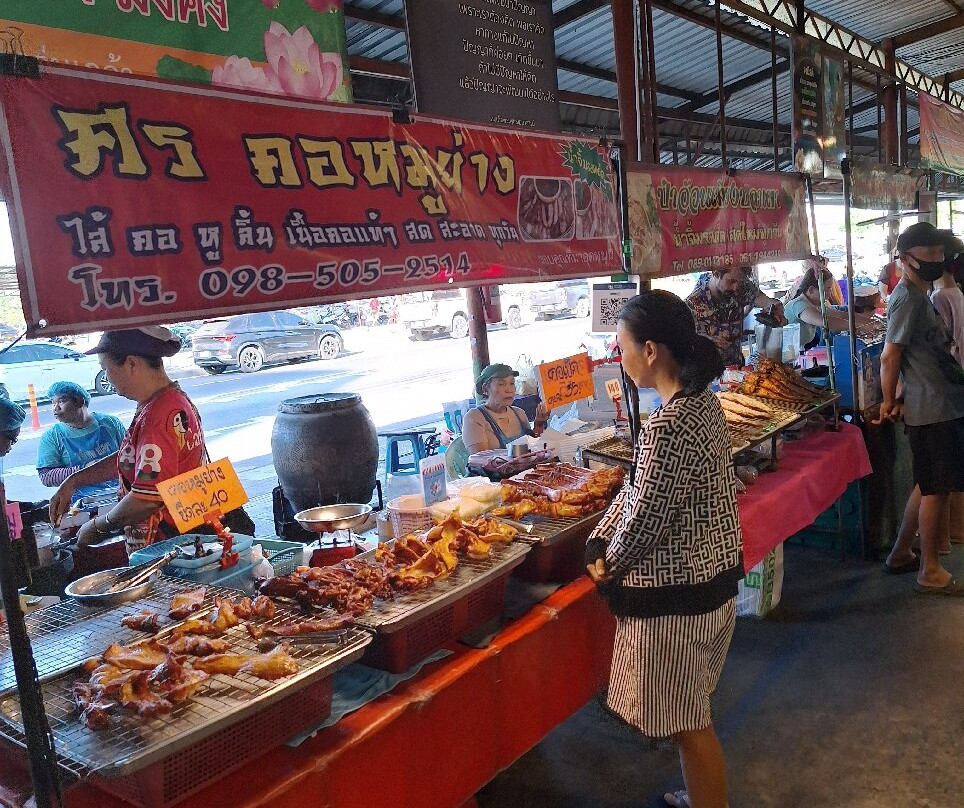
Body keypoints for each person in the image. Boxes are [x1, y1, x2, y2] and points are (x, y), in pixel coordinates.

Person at [585, 291, 742, 808]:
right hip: (711, 582)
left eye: (622, 344)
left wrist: (608, 562)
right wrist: (600, 535)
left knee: (689, 724)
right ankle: (701, 797)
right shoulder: (701, 403)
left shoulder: (670, 424)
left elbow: (647, 518)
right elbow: (636, 494)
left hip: (679, 600)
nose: (618, 355)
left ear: (650, 350)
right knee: (691, 713)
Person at [49, 327, 209, 552]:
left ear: (132, 364)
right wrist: (74, 480)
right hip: (175, 541)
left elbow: (147, 499)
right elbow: (135, 458)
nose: (106, 378)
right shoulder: (168, 399)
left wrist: (97, 526)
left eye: (106, 368)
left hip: (168, 548)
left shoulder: (159, 414)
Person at [877, 223, 964, 594]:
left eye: (940, 254)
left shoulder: (920, 295)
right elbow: (889, 355)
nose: (937, 261)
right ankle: (929, 570)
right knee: (936, 489)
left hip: (938, 401)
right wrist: (887, 401)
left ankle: (900, 553)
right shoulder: (907, 299)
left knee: (927, 482)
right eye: (928, 255)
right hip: (931, 410)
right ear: (906, 259)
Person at [37, 381, 126, 502]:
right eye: (53, 403)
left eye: (61, 401)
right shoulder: (52, 437)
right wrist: (84, 469)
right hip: (82, 503)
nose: (55, 408)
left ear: (80, 401)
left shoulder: (110, 423)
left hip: (121, 495)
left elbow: (130, 455)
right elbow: (46, 477)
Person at [686, 266, 786, 368]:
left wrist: (775, 305)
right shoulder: (694, 303)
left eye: (740, 282)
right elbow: (686, 344)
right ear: (716, 274)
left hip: (737, 367)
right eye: (731, 281)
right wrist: (709, 343)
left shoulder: (740, 287)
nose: (735, 288)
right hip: (708, 372)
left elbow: (762, 299)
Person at [462, 363, 550, 453]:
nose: (509, 389)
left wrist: (539, 424)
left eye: (512, 383)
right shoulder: (474, 417)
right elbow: (481, 460)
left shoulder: (519, 413)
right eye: (501, 384)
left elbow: (533, 446)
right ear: (485, 389)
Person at [783, 261, 872, 349]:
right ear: (811, 290)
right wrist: (863, 326)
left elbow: (842, 315)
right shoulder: (800, 305)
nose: (829, 295)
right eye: (827, 289)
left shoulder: (814, 304)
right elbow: (827, 322)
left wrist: (871, 322)